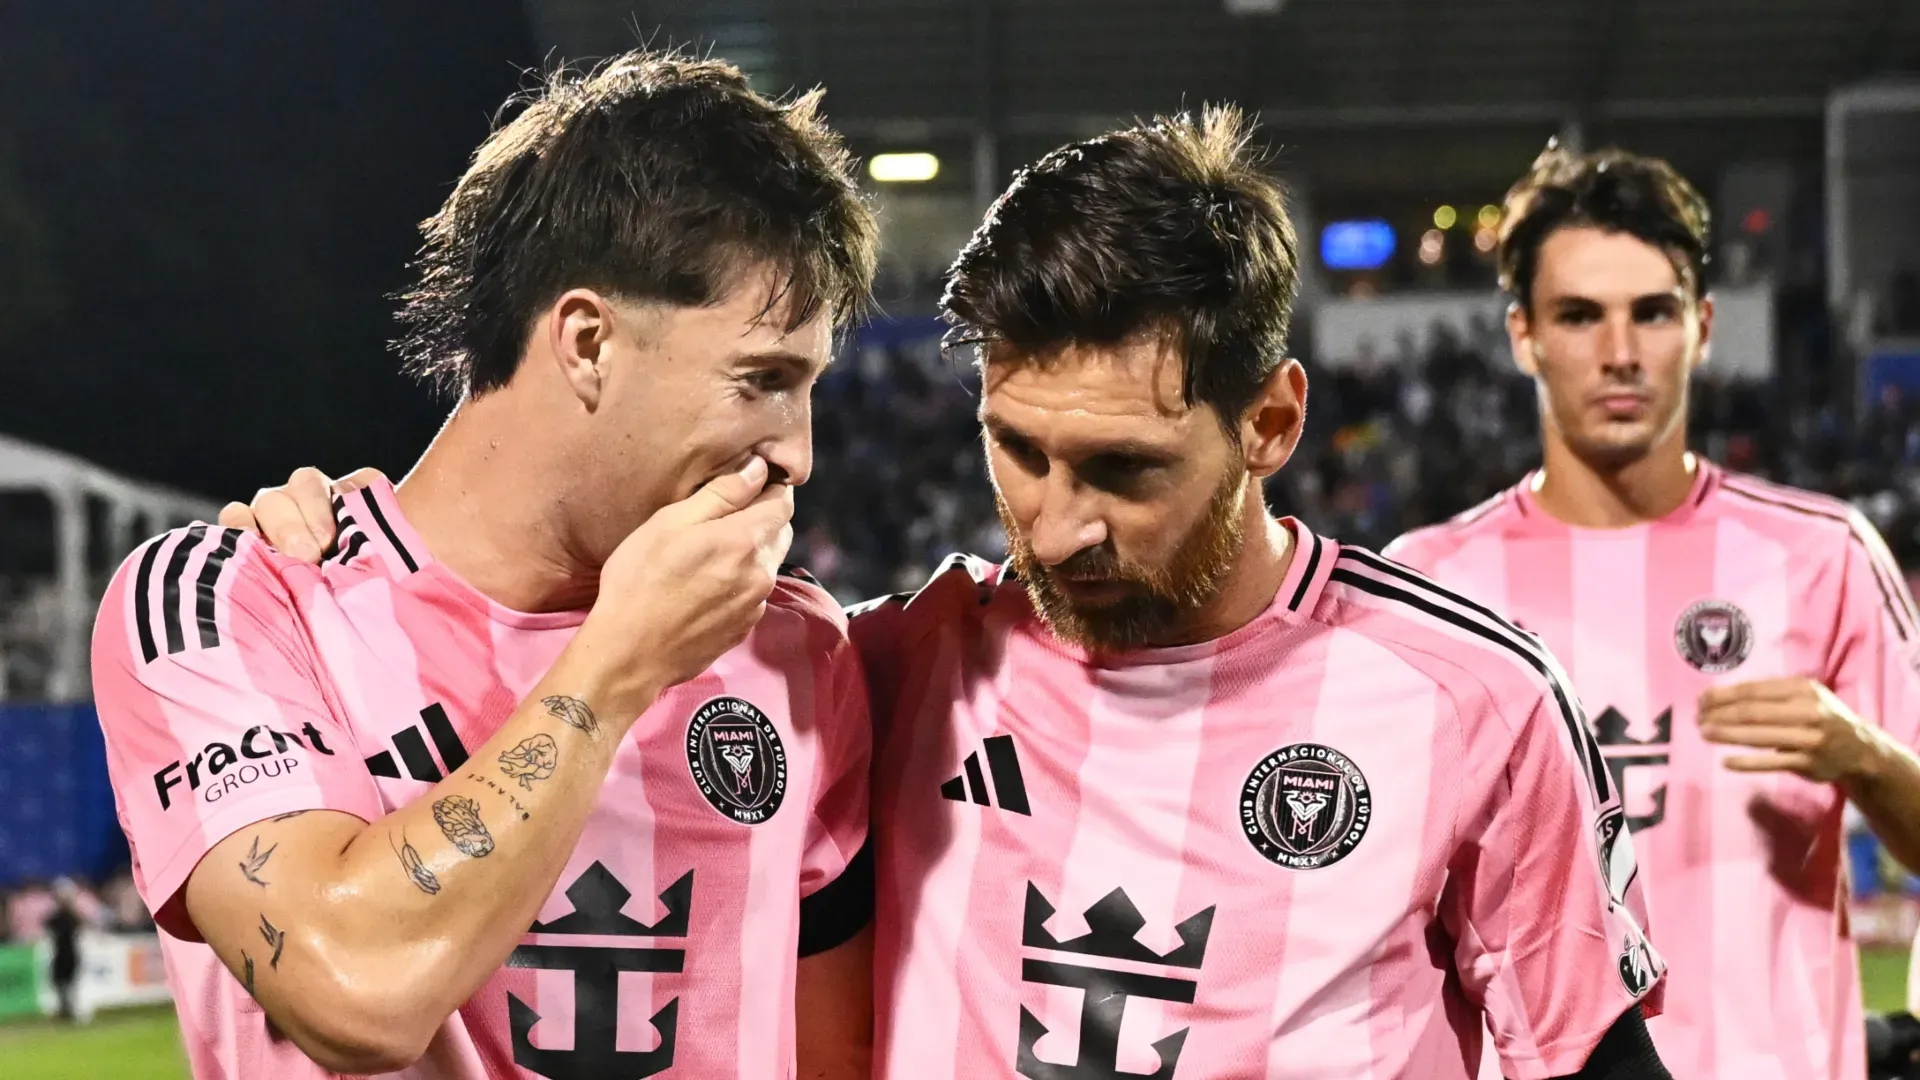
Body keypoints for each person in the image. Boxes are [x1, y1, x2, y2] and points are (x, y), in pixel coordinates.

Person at [229, 109, 1672, 1079]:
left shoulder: (1473, 699)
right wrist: (345, 536)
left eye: (1123, 467)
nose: (1059, 524)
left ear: (1274, 424)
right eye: (1017, 449)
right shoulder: (902, 666)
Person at [91, 51, 878, 1079]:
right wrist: (614, 670)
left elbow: (833, 1053)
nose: (798, 452)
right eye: (762, 380)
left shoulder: (797, 653)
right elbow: (353, 990)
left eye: (807, 386)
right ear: (588, 342)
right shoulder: (233, 605)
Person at [1385, 143, 1920, 1079]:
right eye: (1580, 316)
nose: (1621, 352)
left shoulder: (1822, 556)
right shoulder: (1431, 583)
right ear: (1523, 336)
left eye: (1654, 313)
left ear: (1703, 326)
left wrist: (1865, 759)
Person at [45, 877, 84, 1022]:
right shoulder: (61, 917)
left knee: (68, 984)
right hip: (61, 954)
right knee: (60, 983)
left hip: (69, 954)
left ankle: (69, 1011)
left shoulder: (70, 917)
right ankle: (65, 1010)